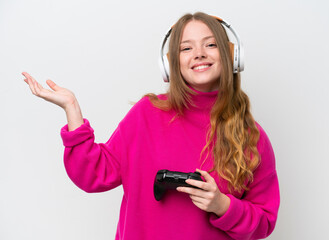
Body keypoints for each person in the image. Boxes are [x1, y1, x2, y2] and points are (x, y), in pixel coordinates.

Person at [23, 12, 279, 240]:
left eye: (210, 44)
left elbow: (264, 222)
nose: (199, 53)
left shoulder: (251, 136)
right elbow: (94, 174)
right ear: (170, 64)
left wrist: (222, 205)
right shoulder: (147, 114)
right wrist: (72, 110)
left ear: (232, 55)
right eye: (186, 48)